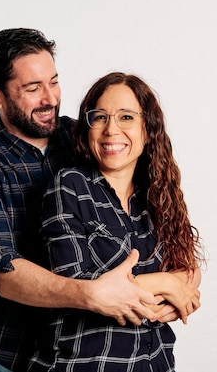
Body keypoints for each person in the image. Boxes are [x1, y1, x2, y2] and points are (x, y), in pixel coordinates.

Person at [0, 28, 201, 372]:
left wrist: (182, 281)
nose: (50, 98)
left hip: (93, 344)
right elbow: (1, 270)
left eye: (53, 81)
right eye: (33, 88)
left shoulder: (81, 137)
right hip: (11, 349)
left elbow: (153, 217)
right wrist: (95, 293)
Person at [28, 72, 204, 372]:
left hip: (154, 362)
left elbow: (185, 267)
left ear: (148, 129)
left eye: (126, 117)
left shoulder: (159, 194)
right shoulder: (70, 186)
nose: (112, 129)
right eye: (100, 117)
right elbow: (75, 287)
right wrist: (164, 283)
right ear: (87, 129)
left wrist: (182, 284)